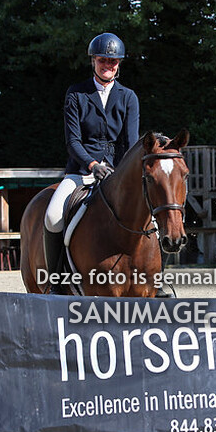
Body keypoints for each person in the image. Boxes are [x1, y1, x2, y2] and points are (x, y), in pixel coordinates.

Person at [43, 32, 140, 293]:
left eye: (113, 61)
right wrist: (92, 164)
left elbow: (131, 143)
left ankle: (157, 277)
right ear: (93, 61)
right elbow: (72, 141)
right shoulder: (76, 94)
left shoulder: (128, 97)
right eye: (102, 60)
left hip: (118, 174)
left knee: (150, 216)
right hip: (82, 171)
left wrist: (123, 174)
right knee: (53, 217)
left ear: (118, 64)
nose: (108, 65)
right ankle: (57, 281)